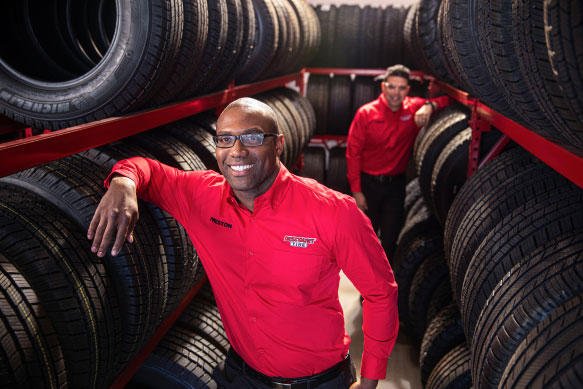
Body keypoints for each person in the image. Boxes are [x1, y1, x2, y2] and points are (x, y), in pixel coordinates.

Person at [87, 97, 399, 389]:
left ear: (278, 144)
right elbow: (148, 170)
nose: (236, 150)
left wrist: (370, 381)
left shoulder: (334, 211)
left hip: (319, 382)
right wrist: (123, 183)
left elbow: (380, 293)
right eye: (225, 138)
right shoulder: (201, 197)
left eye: (252, 137)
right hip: (241, 376)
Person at [346, 65, 451, 260]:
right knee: (366, 241)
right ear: (384, 88)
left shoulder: (413, 108)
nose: (396, 93)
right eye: (392, 87)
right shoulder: (366, 114)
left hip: (395, 186)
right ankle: (366, 289)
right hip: (368, 186)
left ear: (407, 90)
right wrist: (357, 192)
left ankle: (382, 288)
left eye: (401, 88)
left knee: (389, 240)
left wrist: (430, 106)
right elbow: (353, 154)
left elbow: (449, 100)